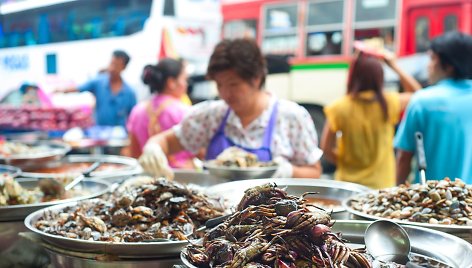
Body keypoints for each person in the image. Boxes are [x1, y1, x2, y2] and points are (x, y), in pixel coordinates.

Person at [139, 38, 323, 179]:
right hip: (217, 219)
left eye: (233, 84)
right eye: (219, 85)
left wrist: (288, 171)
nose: (225, 93)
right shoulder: (212, 115)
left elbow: (315, 172)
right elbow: (168, 141)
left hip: (271, 223)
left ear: (256, 78)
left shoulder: (291, 116)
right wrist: (153, 147)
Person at [320, 50, 421, 189]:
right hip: (382, 185)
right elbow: (419, 95)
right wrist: (394, 66)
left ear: (353, 76)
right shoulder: (389, 103)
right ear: (380, 78)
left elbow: (326, 148)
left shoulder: (339, 107)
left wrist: (344, 163)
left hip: (348, 184)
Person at [395, 32, 472, 184]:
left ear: (449, 65)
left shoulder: (422, 101)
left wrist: (396, 197)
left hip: (429, 202)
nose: (428, 66)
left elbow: (404, 158)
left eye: (432, 59)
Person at [126, 58, 194, 168]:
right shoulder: (184, 111)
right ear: (171, 82)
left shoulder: (137, 110)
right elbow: (199, 151)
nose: (186, 85)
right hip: (183, 177)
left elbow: (134, 153)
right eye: (184, 79)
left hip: (148, 177)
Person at [56, 50, 137, 127]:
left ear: (124, 67)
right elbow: (79, 88)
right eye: (111, 64)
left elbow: (133, 118)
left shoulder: (129, 93)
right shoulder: (98, 82)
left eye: (116, 65)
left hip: (120, 137)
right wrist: (60, 90)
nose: (112, 68)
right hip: (99, 133)